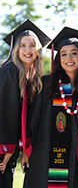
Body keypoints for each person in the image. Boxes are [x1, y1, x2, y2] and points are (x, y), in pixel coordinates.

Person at [23, 27, 78, 188]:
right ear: (58, 59)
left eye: (74, 53)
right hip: (45, 155)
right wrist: (26, 149)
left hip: (77, 158)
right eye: (64, 54)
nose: (69, 58)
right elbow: (32, 121)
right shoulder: (47, 84)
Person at [0, 19, 51, 188]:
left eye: (32, 45)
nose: (28, 50)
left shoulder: (31, 76)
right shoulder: (10, 71)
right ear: (16, 49)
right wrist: (6, 148)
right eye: (23, 45)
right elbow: (5, 113)